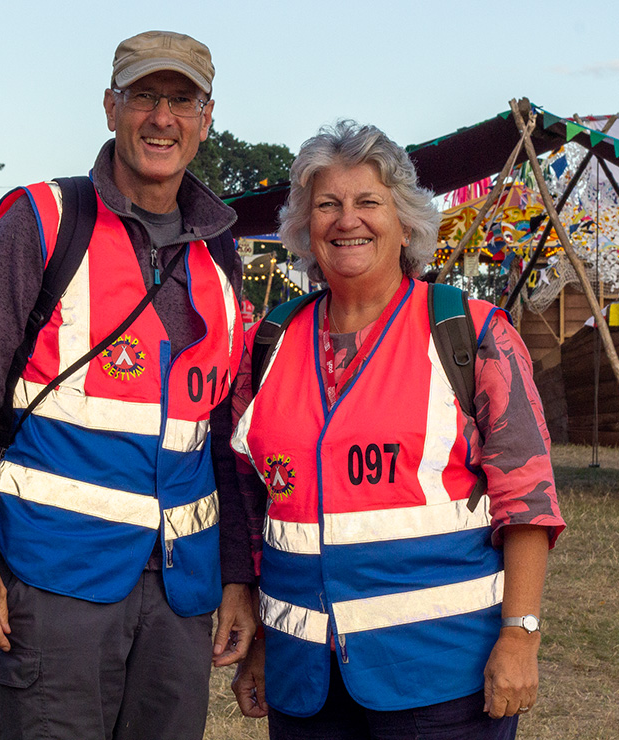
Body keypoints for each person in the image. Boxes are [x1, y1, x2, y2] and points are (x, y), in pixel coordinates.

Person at [0, 30, 254, 740]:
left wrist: (238, 576)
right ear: (111, 107)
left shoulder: (221, 253)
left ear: (207, 120)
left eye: (182, 100)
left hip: (181, 592)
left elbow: (221, 437)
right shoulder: (43, 220)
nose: (161, 118)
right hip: (56, 577)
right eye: (145, 95)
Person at [230, 120, 565, 740]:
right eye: (326, 204)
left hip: (441, 678)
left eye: (368, 202)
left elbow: (529, 500)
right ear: (305, 226)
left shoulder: (471, 334)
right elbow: (258, 504)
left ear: (406, 221)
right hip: (306, 683)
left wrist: (520, 636)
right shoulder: (268, 345)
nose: (346, 220)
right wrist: (260, 632)